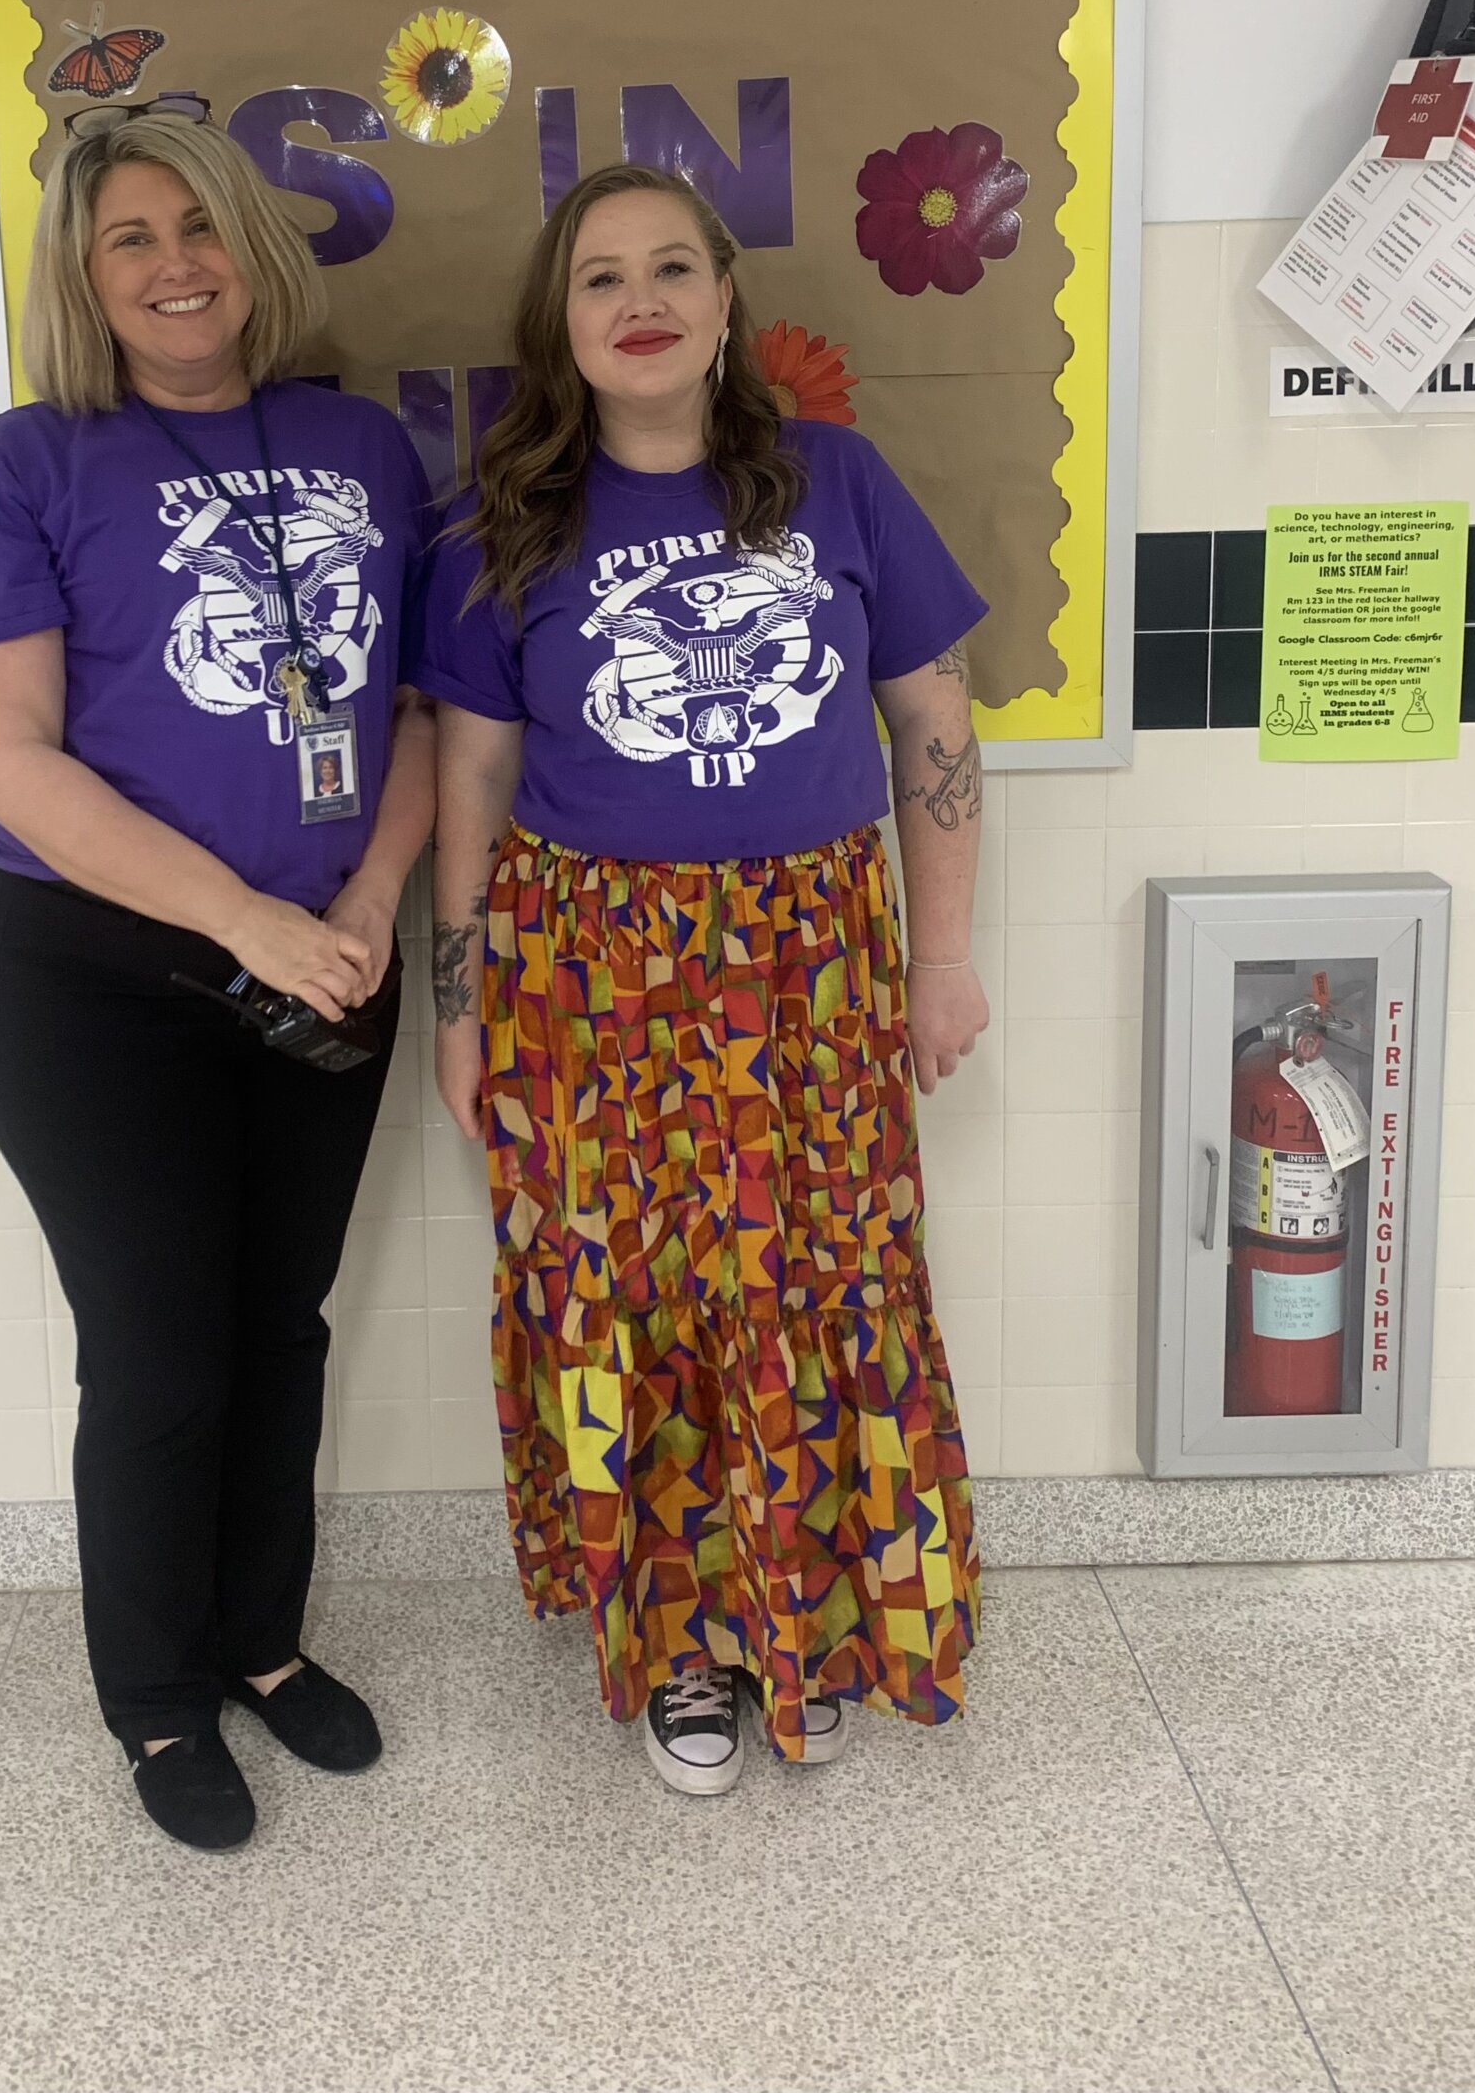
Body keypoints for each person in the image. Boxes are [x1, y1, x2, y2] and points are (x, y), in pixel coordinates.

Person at [418, 162, 986, 1793]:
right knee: (638, 1298)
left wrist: (941, 959)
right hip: (590, 973)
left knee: (816, 1283)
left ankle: (813, 1611)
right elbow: (467, 786)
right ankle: (682, 1648)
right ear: (563, 322)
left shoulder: (841, 483)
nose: (641, 297)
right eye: (601, 276)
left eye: (675, 265)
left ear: (728, 300)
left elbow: (935, 725)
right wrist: (462, 1012)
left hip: (814, 964)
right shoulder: (503, 519)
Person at [0, 110, 436, 1853]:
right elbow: (8, 761)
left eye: (198, 225)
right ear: (83, 273)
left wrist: (361, 901)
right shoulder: (20, 465)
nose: (173, 264)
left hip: (326, 961)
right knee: (158, 1355)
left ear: (255, 247)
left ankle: (263, 1645)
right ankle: (152, 1695)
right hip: (99, 983)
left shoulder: (364, 447)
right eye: (129, 237)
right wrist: (248, 922)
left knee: (279, 1328)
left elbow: (421, 712)